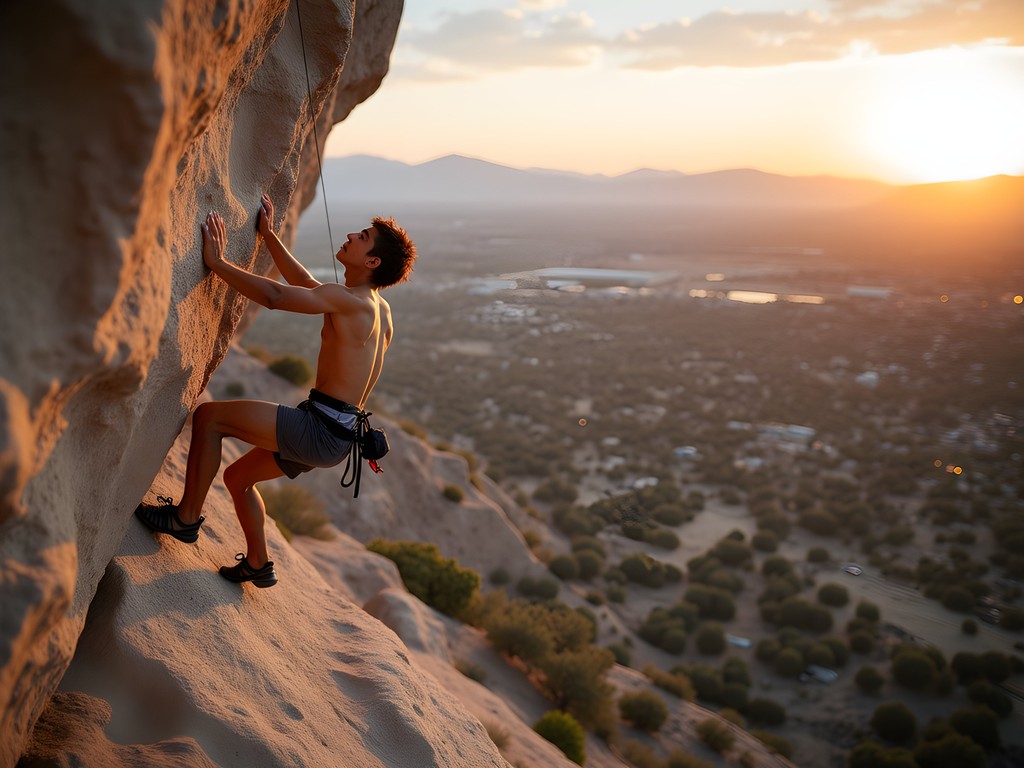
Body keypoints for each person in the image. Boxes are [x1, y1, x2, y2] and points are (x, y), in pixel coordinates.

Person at [135, 194, 416, 587]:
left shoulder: (351, 302)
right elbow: (306, 285)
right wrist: (268, 235)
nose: (352, 234)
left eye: (364, 236)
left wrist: (217, 263)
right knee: (238, 478)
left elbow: (276, 296)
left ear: (372, 262)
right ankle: (257, 563)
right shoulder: (377, 309)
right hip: (337, 436)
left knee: (209, 418)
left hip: (318, 429)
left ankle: (184, 519)